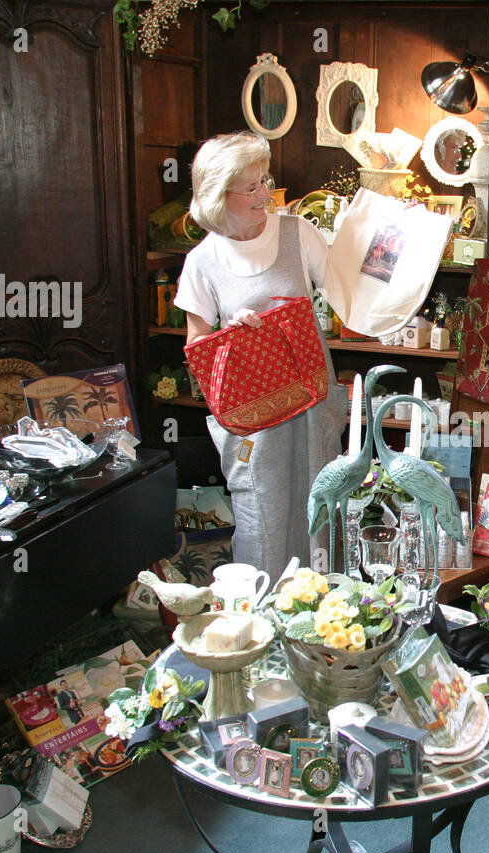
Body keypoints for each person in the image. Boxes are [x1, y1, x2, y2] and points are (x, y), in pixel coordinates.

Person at [174, 131, 348, 576]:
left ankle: (325, 619)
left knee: (319, 502)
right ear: (217, 195)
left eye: (264, 181)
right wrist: (228, 336)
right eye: (249, 187)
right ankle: (261, 626)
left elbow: (350, 296)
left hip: (311, 396)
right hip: (252, 411)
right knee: (260, 513)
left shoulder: (298, 234)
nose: (263, 194)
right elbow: (196, 349)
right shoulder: (202, 261)